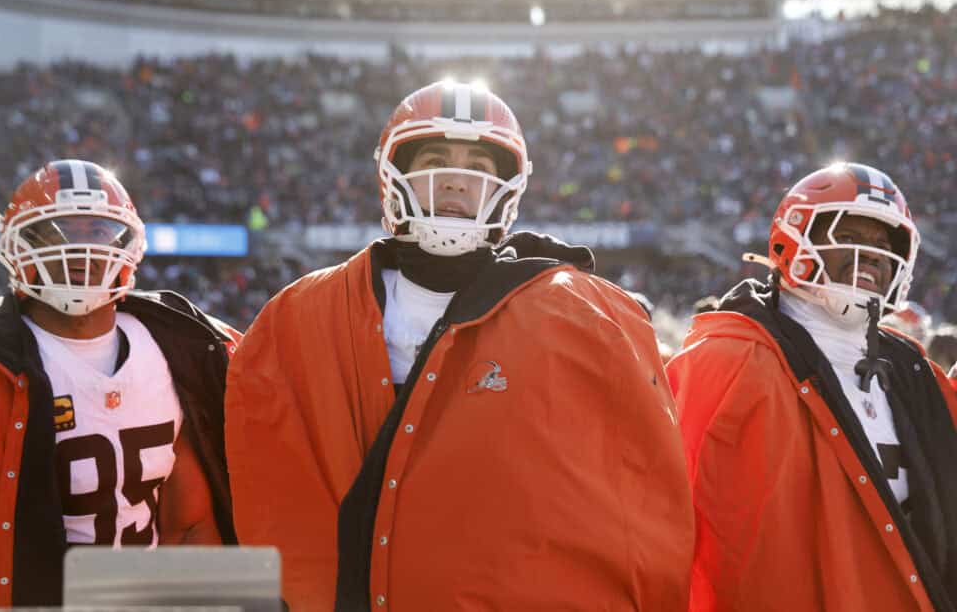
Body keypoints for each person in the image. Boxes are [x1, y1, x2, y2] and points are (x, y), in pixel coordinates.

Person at [226, 81, 693, 612]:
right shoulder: (299, 315)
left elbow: (637, 500)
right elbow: (271, 496)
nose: (455, 178)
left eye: (478, 164)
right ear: (393, 175)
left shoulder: (583, 314)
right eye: (434, 158)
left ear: (507, 187)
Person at [0, 159, 239, 611]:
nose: (77, 249)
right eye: (55, 232)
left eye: (97, 232)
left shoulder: (174, 347)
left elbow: (189, 522)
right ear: (15, 246)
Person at [669, 163, 957, 612]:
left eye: (884, 244)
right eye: (852, 235)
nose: (875, 255)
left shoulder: (910, 369)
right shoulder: (725, 359)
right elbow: (671, 519)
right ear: (795, 238)